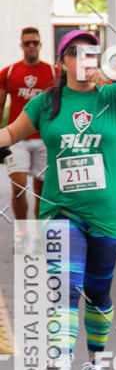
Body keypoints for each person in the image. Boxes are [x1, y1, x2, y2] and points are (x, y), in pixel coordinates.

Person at [0, 29, 116, 370]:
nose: (84, 57)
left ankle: (96, 364)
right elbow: (11, 133)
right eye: (74, 52)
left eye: (91, 51)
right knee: (66, 285)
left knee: (98, 292)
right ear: (61, 62)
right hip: (62, 209)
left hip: (107, 216)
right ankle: (61, 361)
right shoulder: (46, 103)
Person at [0, 27, 57, 251]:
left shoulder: (53, 73)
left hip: (44, 138)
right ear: (21, 45)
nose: (31, 46)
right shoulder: (9, 72)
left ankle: (40, 234)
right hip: (18, 138)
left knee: (42, 191)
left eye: (35, 42)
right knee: (19, 187)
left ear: (40, 44)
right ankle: (22, 232)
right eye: (27, 43)